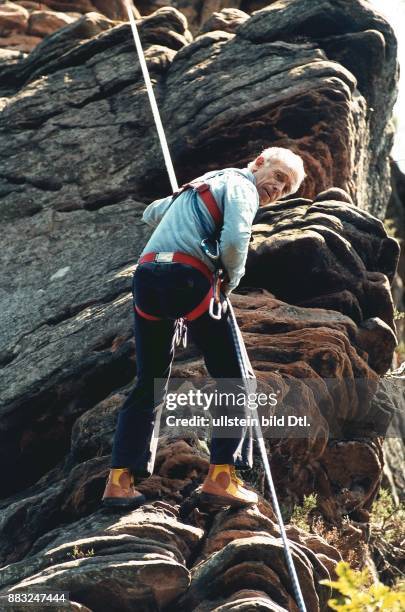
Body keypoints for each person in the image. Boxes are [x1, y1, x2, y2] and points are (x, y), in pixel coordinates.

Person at [102, 147, 306, 509]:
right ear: (259, 163)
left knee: (150, 380)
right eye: (277, 176)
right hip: (188, 279)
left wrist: (186, 198)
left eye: (286, 188)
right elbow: (234, 238)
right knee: (236, 378)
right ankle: (222, 478)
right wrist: (230, 282)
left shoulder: (203, 185)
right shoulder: (241, 186)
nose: (277, 189)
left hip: (148, 279)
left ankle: (119, 482)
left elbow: (152, 214)